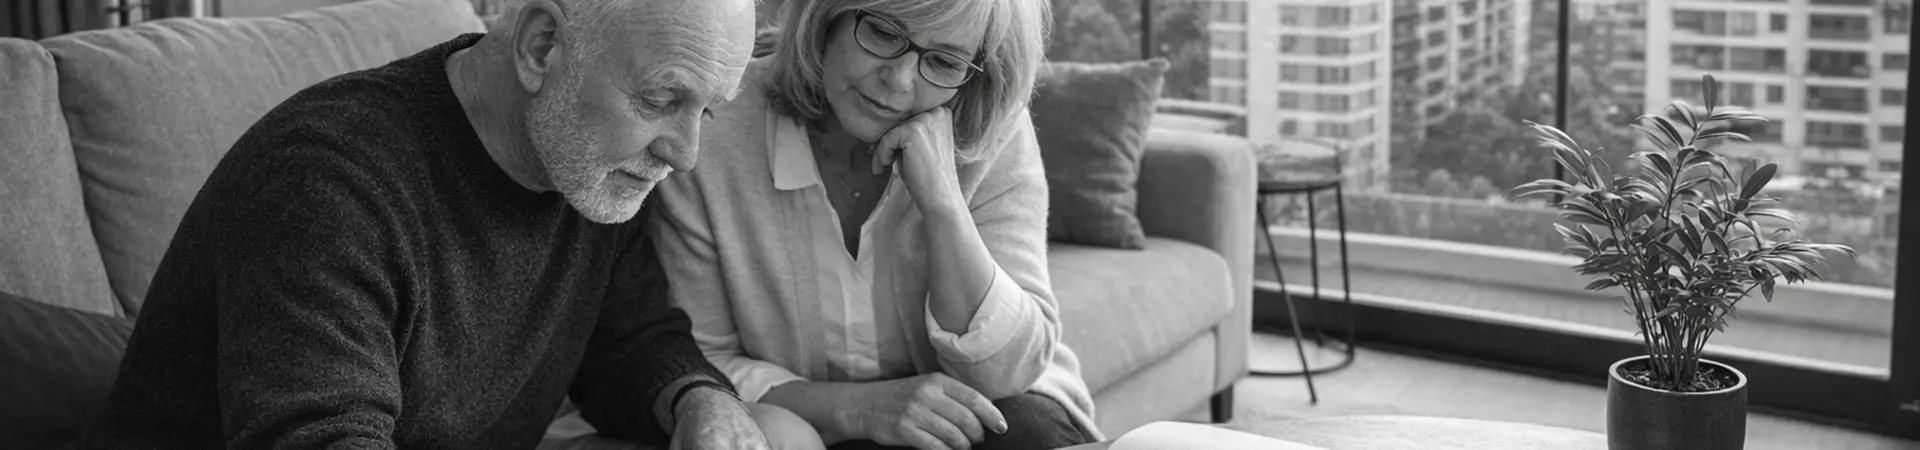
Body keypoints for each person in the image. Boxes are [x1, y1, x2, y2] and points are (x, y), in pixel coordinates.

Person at [78, 0, 766, 448]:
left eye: (706, 110)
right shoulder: (330, 180)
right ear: (541, 46)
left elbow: (630, 341)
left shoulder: (589, 167)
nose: (684, 153)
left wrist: (697, 401)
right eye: (660, 98)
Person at [649, 0, 1099, 449]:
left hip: (994, 411)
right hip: (809, 419)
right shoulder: (714, 126)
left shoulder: (992, 129)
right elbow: (701, 361)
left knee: (1020, 432)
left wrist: (943, 204)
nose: (899, 81)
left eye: (943, 61)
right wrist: (860, 407)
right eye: (883, 33)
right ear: (826, 17)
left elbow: (1009, 370)